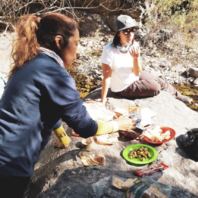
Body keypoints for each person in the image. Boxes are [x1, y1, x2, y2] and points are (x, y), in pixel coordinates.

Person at [0, 13, 136, 198]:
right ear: (59, 41)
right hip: (10, 167)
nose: (78, 51)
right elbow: (86, 127)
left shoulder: (28, 62)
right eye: (77, 43)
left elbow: (43, 106)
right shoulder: (56, 74)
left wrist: (63, 138)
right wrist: (118, 125)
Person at [100, 14, 192, 104]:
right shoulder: (109, 50)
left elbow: (137, 72)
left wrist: (135, 58)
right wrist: (102, 101)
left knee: (161, 81)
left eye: (132, 30)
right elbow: (106, 77)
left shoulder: (134, 45)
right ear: (118, 33)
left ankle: (178, 96)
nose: (130, 35)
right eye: (126, 31)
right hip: (123, 87)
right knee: (155, 87)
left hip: (134, 77)